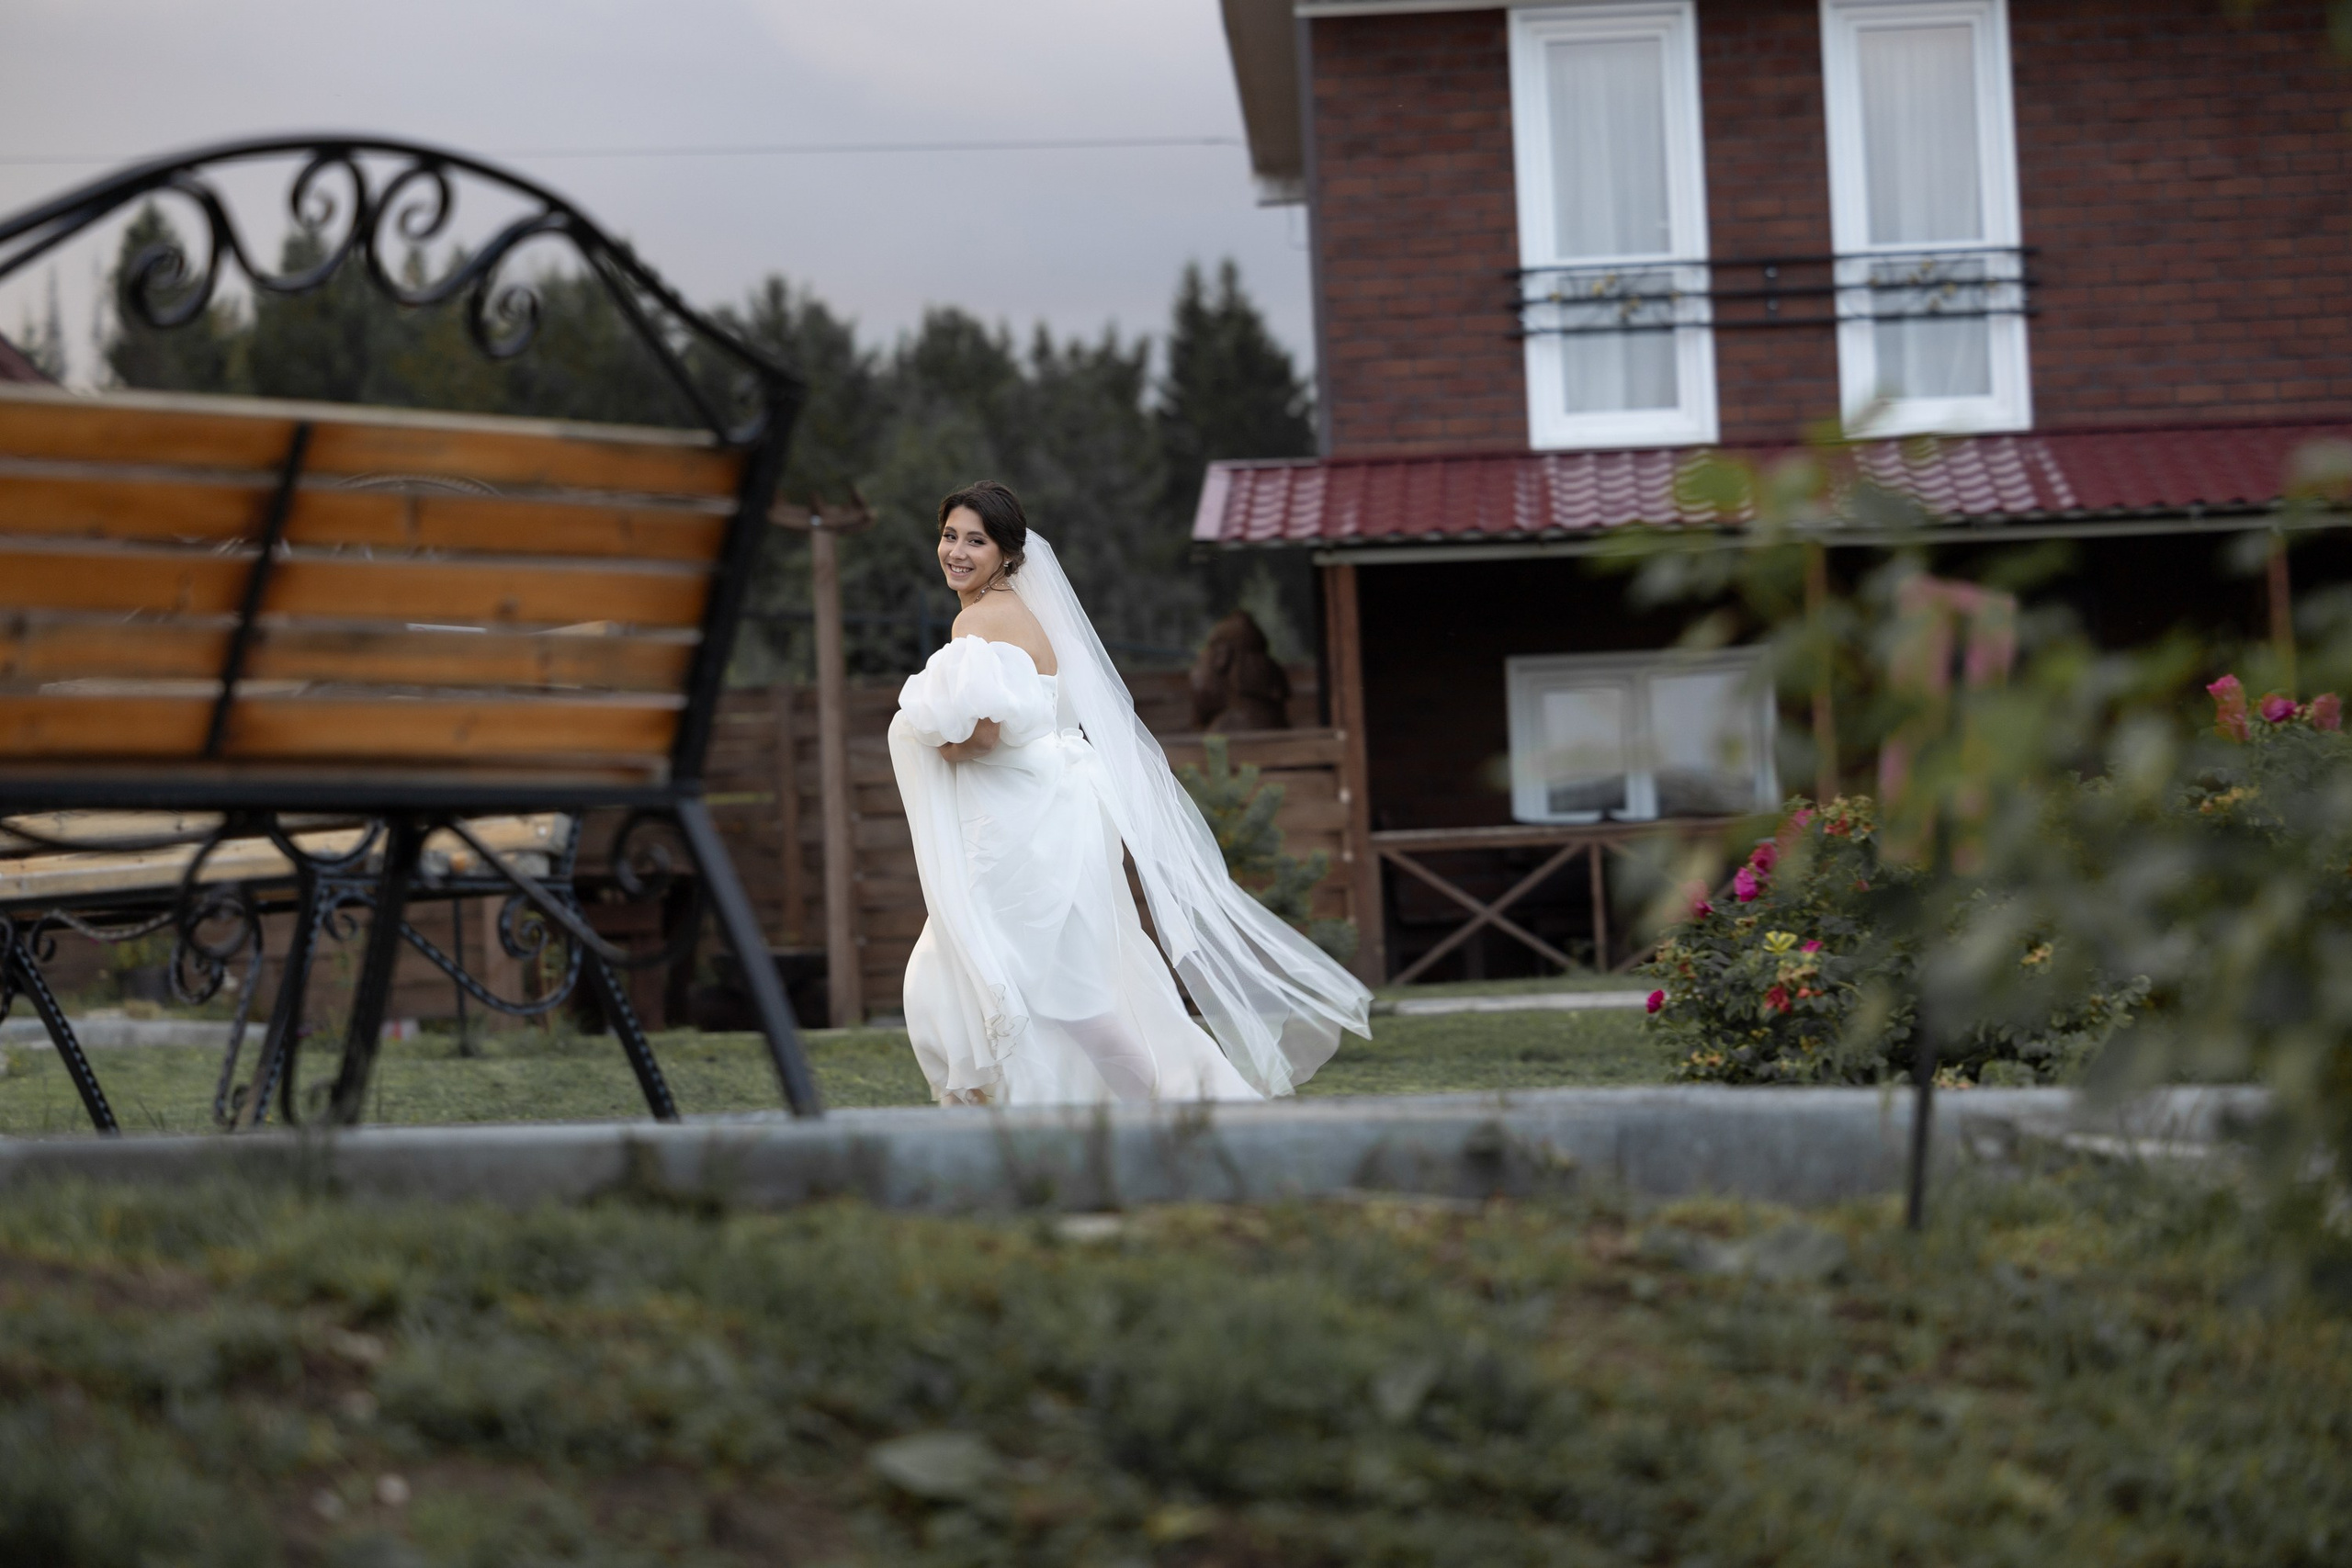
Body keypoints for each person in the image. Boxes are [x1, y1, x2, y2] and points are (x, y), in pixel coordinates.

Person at [890, 480, 1373, 1106]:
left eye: (975, 540)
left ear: (1008, 553)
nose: (956, 551)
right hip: (1048, 815)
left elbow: (982, 736)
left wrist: (930, 740)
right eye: (950, 535)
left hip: (1022, 829)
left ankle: (1132, 1110)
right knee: (1063, 980)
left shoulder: (977, 622)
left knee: (999, 974)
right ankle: (1111, 1106)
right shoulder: (1031, 614)